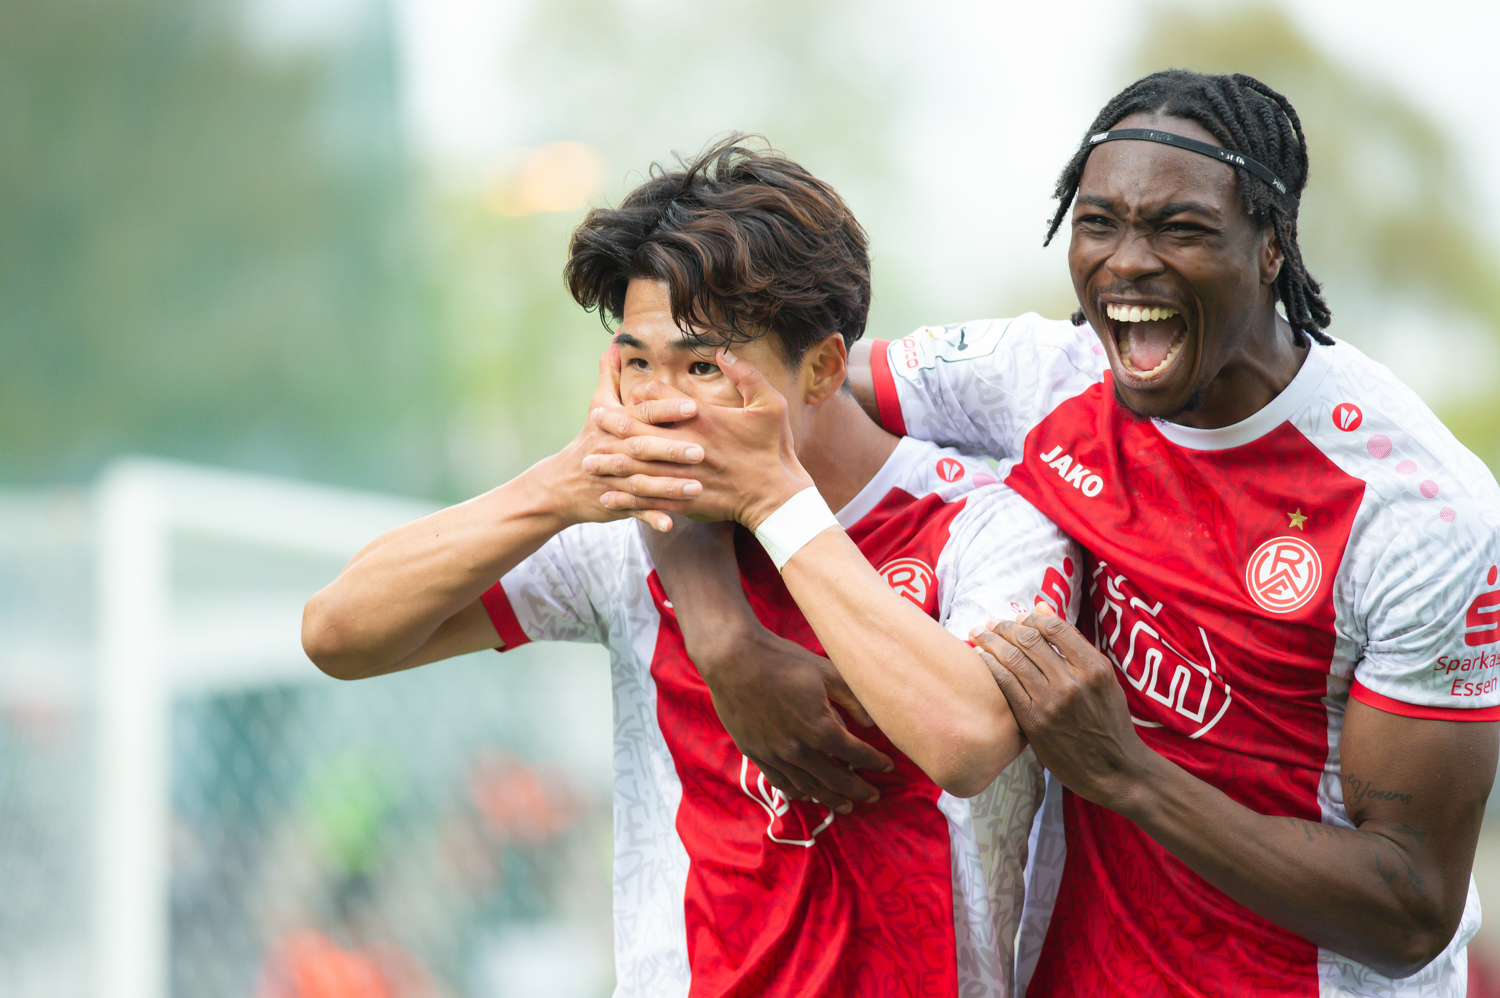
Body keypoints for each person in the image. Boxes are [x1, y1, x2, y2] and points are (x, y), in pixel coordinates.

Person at [587, 71, 1500, 996]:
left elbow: (1410, 911)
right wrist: (723, 635)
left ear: (1272, 247)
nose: (1128, 263)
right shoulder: (1046, 376)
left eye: (1179, 229)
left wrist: (1130, 775)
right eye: (1098, 223)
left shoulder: (1415, 511)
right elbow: (739, 407)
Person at [302, 137, 1080, 997]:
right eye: (638, 363)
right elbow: (340, 634)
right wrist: (560, 486)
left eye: (703, 366)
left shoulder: (984, 521)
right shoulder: (629, 528)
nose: (664, 406)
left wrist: (775, 506)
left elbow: (966, 744)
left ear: (822, 369)